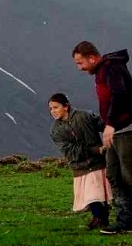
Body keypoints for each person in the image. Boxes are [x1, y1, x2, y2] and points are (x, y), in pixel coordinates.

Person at [71, 41, 132, 234]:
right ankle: (124, 221)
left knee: (130, 176)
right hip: (117, 132)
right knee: (114, 175)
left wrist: (110, 124)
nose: (80, 68)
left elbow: (119, 95)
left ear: (92, 58)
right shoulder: (101, 71)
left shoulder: (112, 68)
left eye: (80, 63)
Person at [48, 93, 113, 230]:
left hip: (97, 164)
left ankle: (100, 218)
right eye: (51, 108)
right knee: (91, 196)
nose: (53, 111)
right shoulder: (56, 131)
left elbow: (105, 126)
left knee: (97, 195)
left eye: (56, 107)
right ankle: (100, 217)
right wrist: (96, 150)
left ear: (66, 106)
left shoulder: (85, 116)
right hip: (80, 167)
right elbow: (70, 151)